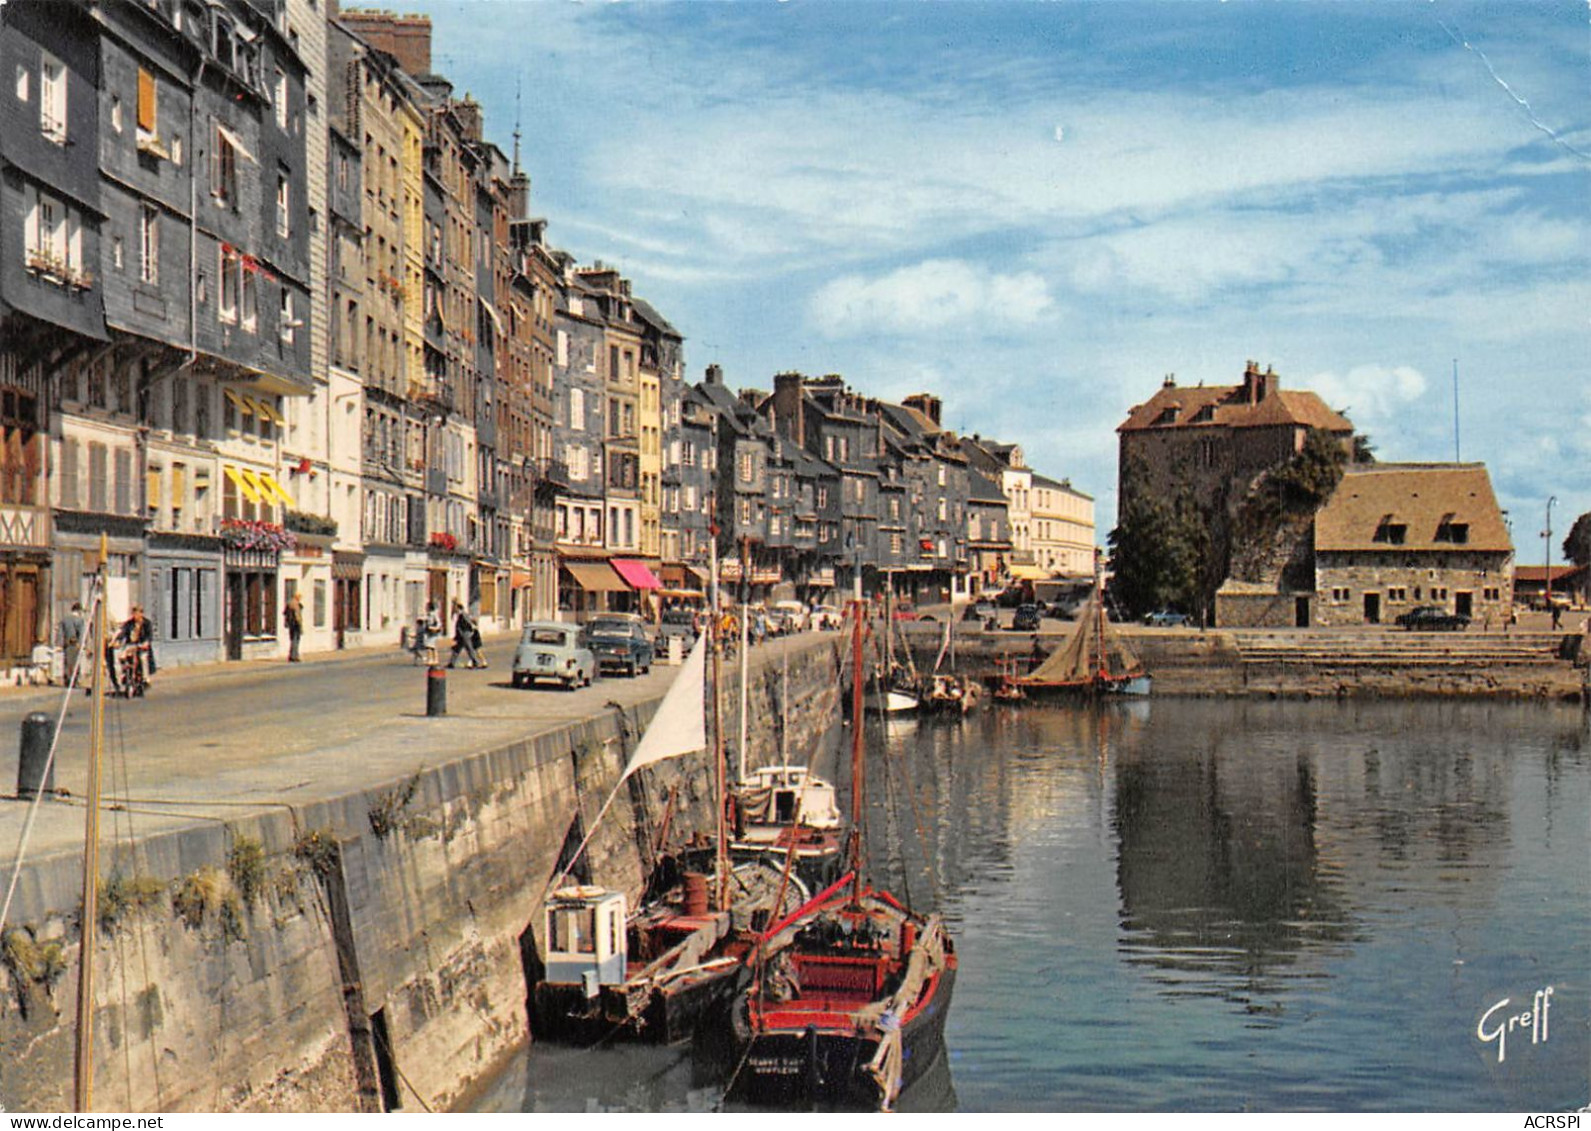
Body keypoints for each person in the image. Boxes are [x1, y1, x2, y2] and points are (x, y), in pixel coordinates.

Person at [114, 605, 155, 696]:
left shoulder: (147, 623)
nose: (136, 615)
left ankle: (145, 679)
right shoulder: (129, 623)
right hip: (131, 645)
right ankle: (123, 674)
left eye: (138, 613)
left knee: (143, 658)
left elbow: (149, 636)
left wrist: (146, 643)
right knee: (121, 656)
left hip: (141, 646)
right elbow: (123, 633)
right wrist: (118, 641)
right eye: (134, 613)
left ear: (141, 613)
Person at [448, 601, 486, 669]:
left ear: (459, 608)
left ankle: (475, 662)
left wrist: (471, 629)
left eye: (456, 609)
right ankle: (451, 663)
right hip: (461, 635)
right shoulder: (460, 615)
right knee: (456, 649)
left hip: (466, 635)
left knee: (469, 649)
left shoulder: (464, 614)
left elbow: (469, 622)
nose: (455, 610)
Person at [60, 602, 84, 688]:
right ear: (78, 610)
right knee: (76, 663)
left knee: (67, 662)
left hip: (66, 644)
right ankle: (75, 680)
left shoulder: (65, 619)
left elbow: (61, 633)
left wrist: (61, 643)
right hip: (75, 643)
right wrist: (81, 644)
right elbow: (81, 633)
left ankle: (67, 679)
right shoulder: (79, 620)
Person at [284, 593, 304, 662]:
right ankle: (294, 656)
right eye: (299, 597)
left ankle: (291, 655)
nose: (300, 599)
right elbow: (298, 616)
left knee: (292, 640)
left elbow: (284, 613)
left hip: (290, 625)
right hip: (296, 625)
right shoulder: (296, 605)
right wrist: (301, 627)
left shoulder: (289, 604)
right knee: (296, 640)